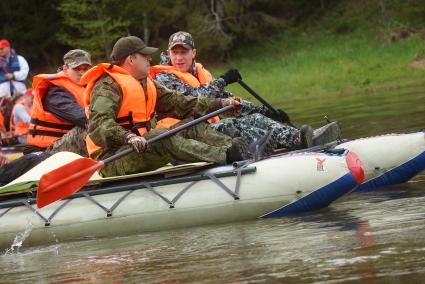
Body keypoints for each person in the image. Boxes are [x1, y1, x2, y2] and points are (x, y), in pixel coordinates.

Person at [81, 36, 265, 177]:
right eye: (145, 56)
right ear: (130, 59)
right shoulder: (106, 87)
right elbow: (100, 125)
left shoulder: (146, 82)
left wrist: (220, 103)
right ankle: (226, 156)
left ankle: (238, 150)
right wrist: (128, 137)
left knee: (192, 124)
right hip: (112, 159)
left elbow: (182, 103)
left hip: (142, 147)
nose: (149, 60)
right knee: (160, 136)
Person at [150, 31, 341, 149]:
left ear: (194, 53)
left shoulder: (202, 74)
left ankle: (300, 136)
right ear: (168, 54)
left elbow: (233, 102)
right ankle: (295, 142)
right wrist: (223, 80)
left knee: (253, 118)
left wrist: (265, 111)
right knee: (232, 125)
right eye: (175, 53)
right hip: (182, 132)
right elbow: (194, 99)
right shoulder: (163, 77)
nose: (179, 58)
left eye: (183, 52)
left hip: (205, 126)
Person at [25, 49, 91, 156]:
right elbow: (81, 117)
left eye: (86, 68)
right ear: (65, 68)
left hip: (63, 143)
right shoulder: (56, 90)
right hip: (45, 149)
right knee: (95, 127)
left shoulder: (86, 86)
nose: (82, 73)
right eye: (77, 69)